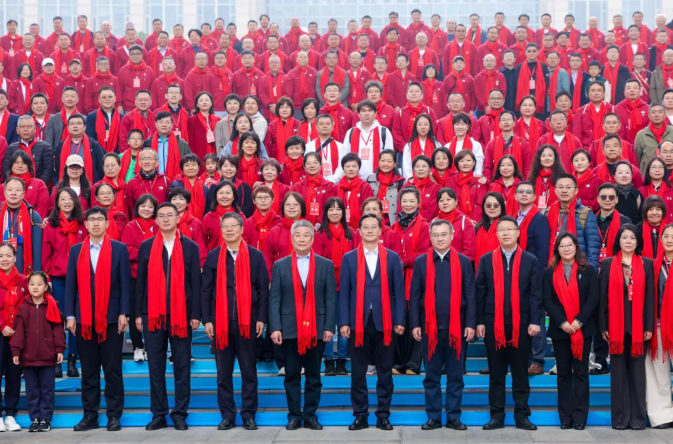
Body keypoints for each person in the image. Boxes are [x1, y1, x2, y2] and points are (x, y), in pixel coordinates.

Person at [135, 202, 201, 431]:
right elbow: (140, 282)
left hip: (182, 314)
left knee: (182, 365)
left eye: (169, 215)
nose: (165, 219)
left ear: (178, 218)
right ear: (155, 220)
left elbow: (196, 282)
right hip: (153, 314)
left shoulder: (190, 247)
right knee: (155, 366)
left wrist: (196, 314)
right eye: (161, 216)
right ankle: (159, 414)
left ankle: (180, 413)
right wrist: (138, 314)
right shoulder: (146, 246)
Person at [65, 206, 132, 432]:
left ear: (107, 223)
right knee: (89, 370)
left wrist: (124, 312)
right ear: (85, 224)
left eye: (100, 219)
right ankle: (90, 415)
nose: (95, 223)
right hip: (84, 319)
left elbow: (125, 283)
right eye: (91, 219)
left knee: (113, 369)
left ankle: (114, 415)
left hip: (111, 318)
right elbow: (71, 285)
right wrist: (70, 315)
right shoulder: (76, 250)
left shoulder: (119, 249)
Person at [201, 212, 269, 431]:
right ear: (221, 230)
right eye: (225, 226)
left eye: (233, 226)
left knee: (249, 371)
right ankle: (227, 415)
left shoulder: (255, 256)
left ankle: (248, 414)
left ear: (241, 229)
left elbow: (263, 291)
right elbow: (206, 291)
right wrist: (207, 320)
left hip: (247, 322)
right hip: (221, 324)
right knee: (223, 373)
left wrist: (261, 318)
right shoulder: (213, 256)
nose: (229, 230)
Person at [475, 216, 542, 431]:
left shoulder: (530, 260)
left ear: (518, 232)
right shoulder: (486, 260)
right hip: (493, 325)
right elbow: (479, 294)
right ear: (496, 234)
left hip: (521, 325)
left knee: (521, 373)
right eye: (501, 230)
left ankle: (522, 416)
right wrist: (479, 322)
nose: (505, 233)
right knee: (496, 374)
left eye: (509, 229)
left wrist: (535, 321)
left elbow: (535, 294)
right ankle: (497, 416)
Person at [269, 219, 337, 430]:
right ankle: (294, 416)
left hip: (317, 328)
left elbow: (330, 299)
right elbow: (275, 299)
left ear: (312, 238)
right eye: (297, 235)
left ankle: (310, 416)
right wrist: (275, 327)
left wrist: (329, 327)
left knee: (314, 376)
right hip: (290, 329)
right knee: (291, 375)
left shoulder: (325, 265)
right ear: (291, 238)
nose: (301, 239)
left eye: (306, 235)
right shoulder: (280, 265)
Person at [340, 213, 405, 430]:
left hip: (384, 322)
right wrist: (344, 322)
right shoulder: (349, 258)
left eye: (373, 227)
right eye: (365, 227)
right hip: (357, 323)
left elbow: (398, 291)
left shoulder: (392, 258)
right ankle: (360, 415)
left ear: (380, 230)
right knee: (358, 372)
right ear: (359, 231)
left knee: (385, 372)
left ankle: (383, 415)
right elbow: (344, 293)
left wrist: (399, 320)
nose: (369, 230)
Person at [409, 218, 474, 430]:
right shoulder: (421, 262)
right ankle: (434, 417)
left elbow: (470, 295)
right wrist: (415, 324)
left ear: (452, 236)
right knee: (431, 377)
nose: (440, 239)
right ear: (430, 237)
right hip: (430, 329)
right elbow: (415, 296)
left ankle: (454, 417)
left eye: (444, 234)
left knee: (456, 376)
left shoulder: (463, 262)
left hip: (457, 329)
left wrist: (470, 324)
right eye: (435, 235)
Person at [599, 224, 655, 430]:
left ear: (637, 241)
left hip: (639, 328)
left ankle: (638, 419)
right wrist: (603, 325)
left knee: (638, 376)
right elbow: (602, 298)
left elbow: (650, 297)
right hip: (615, 327)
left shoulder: (647, 264)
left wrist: (649, 325)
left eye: (632, 237)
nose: (628, 241)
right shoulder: (608, 263)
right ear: (618, 241)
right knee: (618, 376)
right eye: (624, 237)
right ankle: (620, 419)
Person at [543, 233, 599, 430]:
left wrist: (578, 321)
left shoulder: (588, 270)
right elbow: (547, 300)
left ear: (576, 247)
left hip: (583, 330)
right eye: (562, 246)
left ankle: (580, 417)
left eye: (569, 245)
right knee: (563, 374)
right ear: (557, 249)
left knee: (581, 374)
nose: (566, 249)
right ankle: (565, 417)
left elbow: (593, 298)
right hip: (560, 330)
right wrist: (563, 323)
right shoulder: (549, 272)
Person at [11, 271, 65, 433]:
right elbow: (19, 332)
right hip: (28, 358)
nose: (35, 287)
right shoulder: (23, 308)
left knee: (47, 389)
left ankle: (45, 419)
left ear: (46, 286)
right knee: (32, 390)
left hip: (48, 357)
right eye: (32, 284)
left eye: (39, 284)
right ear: (27, 286)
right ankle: (35, 418)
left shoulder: (52, 306)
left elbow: (58, 331)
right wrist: (16, 351)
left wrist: (59, 349)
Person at [43, 186, 86, 377]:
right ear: (57, 203)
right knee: (58, 319)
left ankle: (73, 361)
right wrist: (46, 278)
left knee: (76, 319)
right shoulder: (50, 225)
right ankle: (58, 360)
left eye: (70, 198)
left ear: (76, 201)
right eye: (63, 199)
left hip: (80, 279)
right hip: (58, 279)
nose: (67, 202)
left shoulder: (83, 224)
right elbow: (46, 253)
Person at [391, 187, 430, 375]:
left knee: (415, 318)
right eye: (404, 201)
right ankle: (399, 363)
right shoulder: (395, 225)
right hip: (397, 277)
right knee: (399, 319)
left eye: (411, 201)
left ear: (418, 203)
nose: (408, 204)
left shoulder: (424, 225)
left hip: (416, 276)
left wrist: (404, 261)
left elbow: (424, 251)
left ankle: (413, 364)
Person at [646, 223, 673, 429]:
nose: (670, 240)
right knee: (658, 372)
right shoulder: (652, 265)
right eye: (666, 236)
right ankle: (661, 415)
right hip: (657, 326)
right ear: (661, 239)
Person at [545, 173, 601, 270]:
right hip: (553, 265)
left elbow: (593, 247)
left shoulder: (585, 213)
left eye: (568, 187)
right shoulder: (548, 212)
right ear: (555, 190)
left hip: (578, 266)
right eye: (560, 187)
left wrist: (591, 271)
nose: (564, 190)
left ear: (576, 191)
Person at [0, 243, 25, 432]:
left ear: (15, 257)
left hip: (17, 335)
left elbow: (27, 307)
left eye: (8, 255)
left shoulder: (24, 281)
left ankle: (10, 414)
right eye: (0, 256)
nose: (4, 259)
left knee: (14, 374)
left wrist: (17, 328)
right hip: (0, 332)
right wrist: (2, 326)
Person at [0, 177, 42, 276]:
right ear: (4, 193)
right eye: (10, 190)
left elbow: (37, 250)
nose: (13, 193)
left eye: (18, 190)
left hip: (23, 269)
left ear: (23, 194)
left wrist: (36, 275)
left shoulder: (33, 216)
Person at [3, 115, 53, 185]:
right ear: (17, 130)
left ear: (34, 129)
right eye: (22, 127)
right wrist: (15, 185)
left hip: (39, 186)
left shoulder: (45, 147)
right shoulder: (11, 148)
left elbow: (48, 170)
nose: (25, 129)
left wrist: (38, 185)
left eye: (29, 126)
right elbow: (6, 169)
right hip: (15, 186)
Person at [291, 152, 337, 225]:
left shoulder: (329, 186)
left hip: (323, 225)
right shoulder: (297, 187)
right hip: (301, 225)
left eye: (315, 163)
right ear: (304, 167)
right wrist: (303, 224)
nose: (312, 166)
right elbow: (293, 207)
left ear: (321, 166)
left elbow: (330, 207)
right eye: (308, 163)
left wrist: (319, 224)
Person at [124, 149, 171, 217]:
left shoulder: (165, 180)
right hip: (139, 221)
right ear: (139, 163)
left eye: (150, 159)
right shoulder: (132, 183)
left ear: (157, 162)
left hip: (160, 221)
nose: (147, 162)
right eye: (144, 159)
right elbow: (130, 207)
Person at [201, 181, 245, 252]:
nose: (224, 196)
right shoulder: (209, 217)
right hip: (214, 257)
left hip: (238, 256)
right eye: (221, 193)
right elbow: (203, 242)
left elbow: (246, 239)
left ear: (233, 197)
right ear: (216, 196)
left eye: (228, 193)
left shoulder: (240, 217)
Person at [446, 150, 488, 222]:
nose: (465, 163)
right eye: (461, 161)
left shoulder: (480, 182)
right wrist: (465, 220)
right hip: (456, 220)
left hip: (477, 222)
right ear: (457, 164)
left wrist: (474, 222)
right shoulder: (451, 181)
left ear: (474, 163)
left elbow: (481, 204)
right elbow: (451, 204)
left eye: (468, 160)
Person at [366, 150, 405, 225]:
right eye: (383, 161)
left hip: (392, 222)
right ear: (378, 162)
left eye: (389, 161)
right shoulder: (370, 180)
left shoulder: (400, 182)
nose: (385, 164)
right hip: (373, 220)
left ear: (395, 163)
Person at [634, 103, 673, 173]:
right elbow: (637, 159)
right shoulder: (641, 135)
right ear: (649, 116)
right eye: (653, 112)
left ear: (665, 115)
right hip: (648, 175)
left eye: (660, 112)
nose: (656, 115)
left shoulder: (672, 132)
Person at [528, 145, 565, 211]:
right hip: (536, 213)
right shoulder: (533, 177)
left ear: (555, 158)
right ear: (539, 158)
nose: (547, 158)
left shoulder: (562, 177)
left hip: (557, 212)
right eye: (543, 156)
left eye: (550, 155)